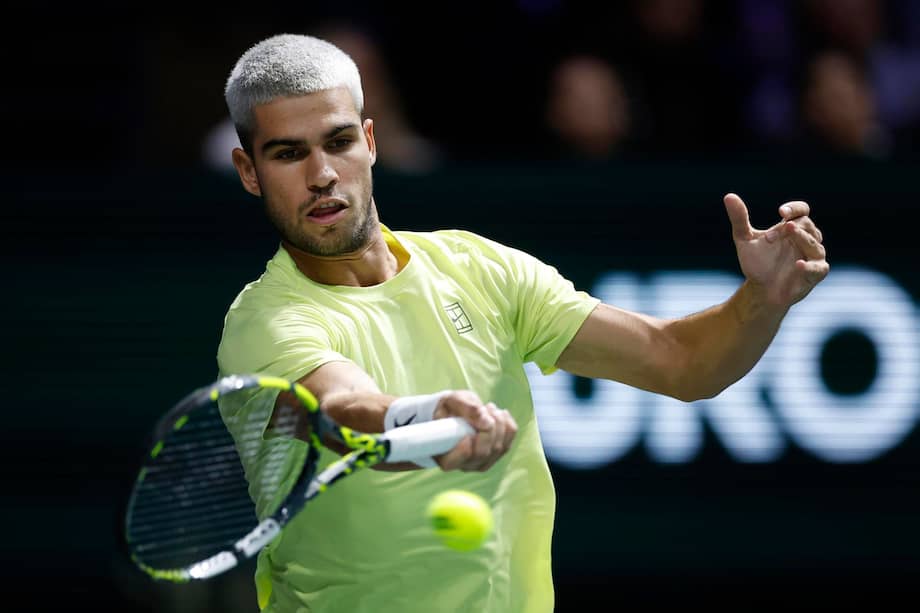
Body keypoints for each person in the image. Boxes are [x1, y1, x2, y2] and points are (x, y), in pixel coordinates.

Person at [216, 33, 829, 613]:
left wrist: (762, 298)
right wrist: (427, 419)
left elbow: (682, 362)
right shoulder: (264, 323)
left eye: (339, 142)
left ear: (370, 142)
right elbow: (341, 409)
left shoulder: (478, 267)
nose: (322, 174)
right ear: (248, 172)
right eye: (289, 153)